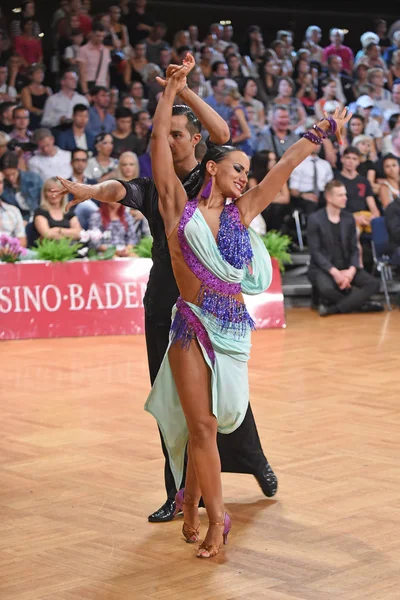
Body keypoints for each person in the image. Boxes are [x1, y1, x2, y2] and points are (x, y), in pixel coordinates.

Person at [143, 56, 351, 559]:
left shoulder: (245, 210)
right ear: (212, 167)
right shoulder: (177, 206)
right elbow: (157, 150)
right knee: (201, 427)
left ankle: (189, 500)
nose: (245, 176)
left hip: (234, 331)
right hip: (191, 327)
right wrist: (170, 92)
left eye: (247, 172)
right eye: (237, 168)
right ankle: (219, 520)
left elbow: (286, 165)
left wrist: (322, 128)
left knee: (218, 422)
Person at [55, 59, 279, 525]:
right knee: (171, 401)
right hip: (166, 302)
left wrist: (182, 88)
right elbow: (120, 189)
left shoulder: (215, 172)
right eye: (167, 134)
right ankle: (178, 493)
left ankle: (253, 461)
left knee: (227, 397)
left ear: (196, 141)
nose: (170, 139)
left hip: (216, 304)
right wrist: (86, 187)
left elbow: (221, 129)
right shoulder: (158, 185)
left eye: (180, 134)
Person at [307, 180, 382, 316]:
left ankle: (333, 310)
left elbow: (354, 248)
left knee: (373, 284)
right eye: (340, 195)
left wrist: (351, 272)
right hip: (324, 269)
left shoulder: (349, 218)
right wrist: (335, 273)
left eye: (345, 194)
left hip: (347, 267)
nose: (345, 198)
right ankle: (362, 305)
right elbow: (315, 252)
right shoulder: (315, 219)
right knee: (327, 288)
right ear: (329, 197)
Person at [33, 177, 81, 242]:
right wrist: (70, 234)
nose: (54, 194)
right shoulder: (40, 212)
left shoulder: (68, 211)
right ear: (44, 193)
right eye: (50, 191)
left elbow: (79, 233)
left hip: (71, 248)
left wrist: (58, 229)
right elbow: (47, 234)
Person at [0, 171, 27, 245]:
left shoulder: (13, 210)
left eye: (0, 183)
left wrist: (13, 253)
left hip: (11, 253)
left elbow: (22, 240)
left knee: (37, 255)